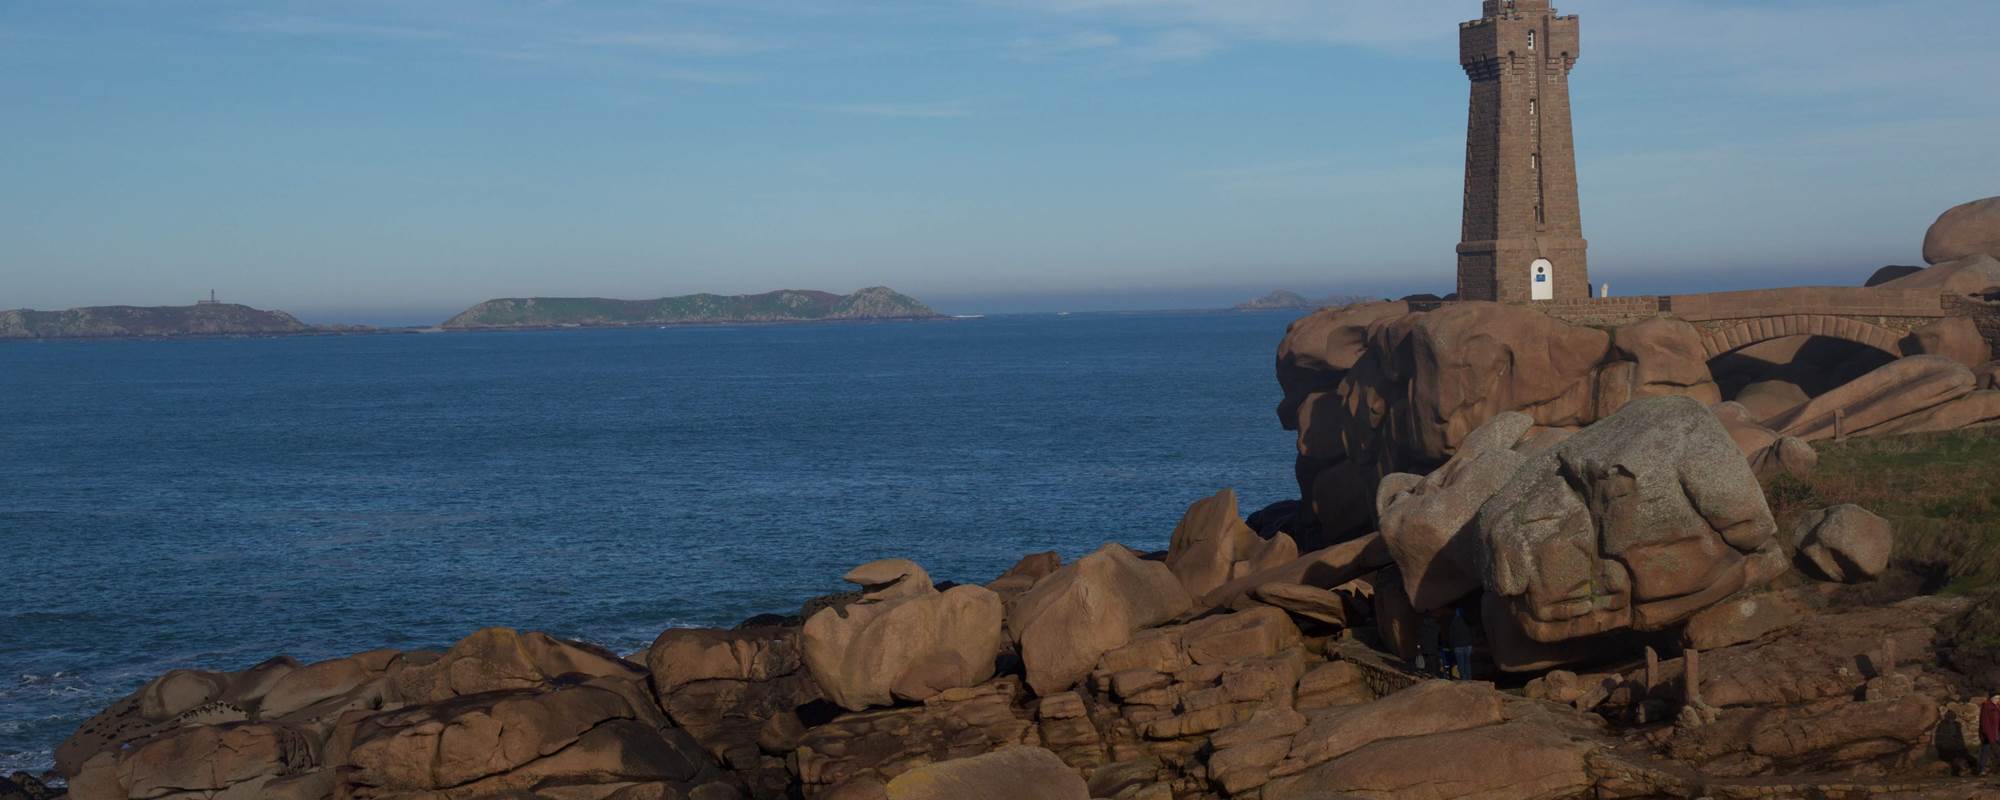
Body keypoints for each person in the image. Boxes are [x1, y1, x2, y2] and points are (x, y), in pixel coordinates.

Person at [1448, 609, 1476, 681]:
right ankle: (1469, 679)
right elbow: (1472, 632)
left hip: (1458, 646)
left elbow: (1451, 636)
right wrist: (1472, 644)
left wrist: (1451, 646)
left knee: (1461, 664)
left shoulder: (1453, 622)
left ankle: (1464, 680)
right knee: (1467, 663)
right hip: (1468, 645)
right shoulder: (1467, 621)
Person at [1981, 694, 2000, 776]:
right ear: (1991, 698)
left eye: (1999, 698)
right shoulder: (1987, 707)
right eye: (1996, 698)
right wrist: (1988, 734)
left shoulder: (1997, 707)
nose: (1997, 699)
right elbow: (1984, 722)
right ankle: (1982, 770)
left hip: (1997, 732)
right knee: (1986, 750)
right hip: (1988, 733)